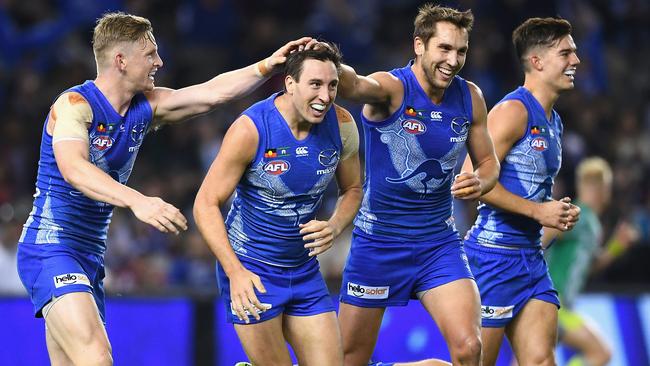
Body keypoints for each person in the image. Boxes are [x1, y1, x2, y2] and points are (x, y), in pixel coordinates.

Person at [16, 11, 314, 366]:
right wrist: (139, 202)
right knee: (96, 356)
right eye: (150, 54)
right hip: (50, 248)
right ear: (121, 60)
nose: (160, 61)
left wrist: (267, 66)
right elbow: (73, 168)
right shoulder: (75, 105)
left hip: (89, 258)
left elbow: (210, 94)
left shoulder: (145, 107)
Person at [333, 4, 500, 365]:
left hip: (438, 245)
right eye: (444, 48)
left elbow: (488, 163)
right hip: (378, 245)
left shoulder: (471, 97)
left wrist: (480, 181)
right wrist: (327, 61)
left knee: (470, 349)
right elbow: (353, 84)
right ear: (419, 45)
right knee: (348, 360)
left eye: (461, 51)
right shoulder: (392, 88)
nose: (453, 60)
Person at [193, 44, 362, 366]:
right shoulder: (251, 129)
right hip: (252, 272)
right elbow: (205, 203)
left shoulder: (342, 125)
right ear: (290, 84)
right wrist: (235, 273)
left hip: (304, 270)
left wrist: (335, 224)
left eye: (332, 85)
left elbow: (353, 188)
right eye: (315, 84)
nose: (325, 96)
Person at [462, 17, 581, 366]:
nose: (575, 61)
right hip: (492, 259)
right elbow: (469, 181)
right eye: (566, 53)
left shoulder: (554, 120)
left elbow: (527, 188)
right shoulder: (513, 111)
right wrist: (538, 212)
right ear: (537, 61)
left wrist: (555, 210)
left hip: (531, 259)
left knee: (542, 361)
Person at [545, 157, 638, 366]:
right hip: (553, 302)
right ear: (603, 187)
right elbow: (546, 233)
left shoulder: (589, 222)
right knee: (601, 352)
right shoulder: (577, 216)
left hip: (556, 304)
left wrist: (616, 247)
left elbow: (590, 266)